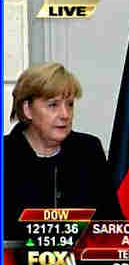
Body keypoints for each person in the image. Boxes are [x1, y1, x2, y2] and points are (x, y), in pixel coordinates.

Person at [4, 62, 122, 240]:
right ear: (27, 109)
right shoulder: (6, 155)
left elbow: (112, 225)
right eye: (53, 105)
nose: (65, 114)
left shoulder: (88, 151)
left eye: (70, 104)